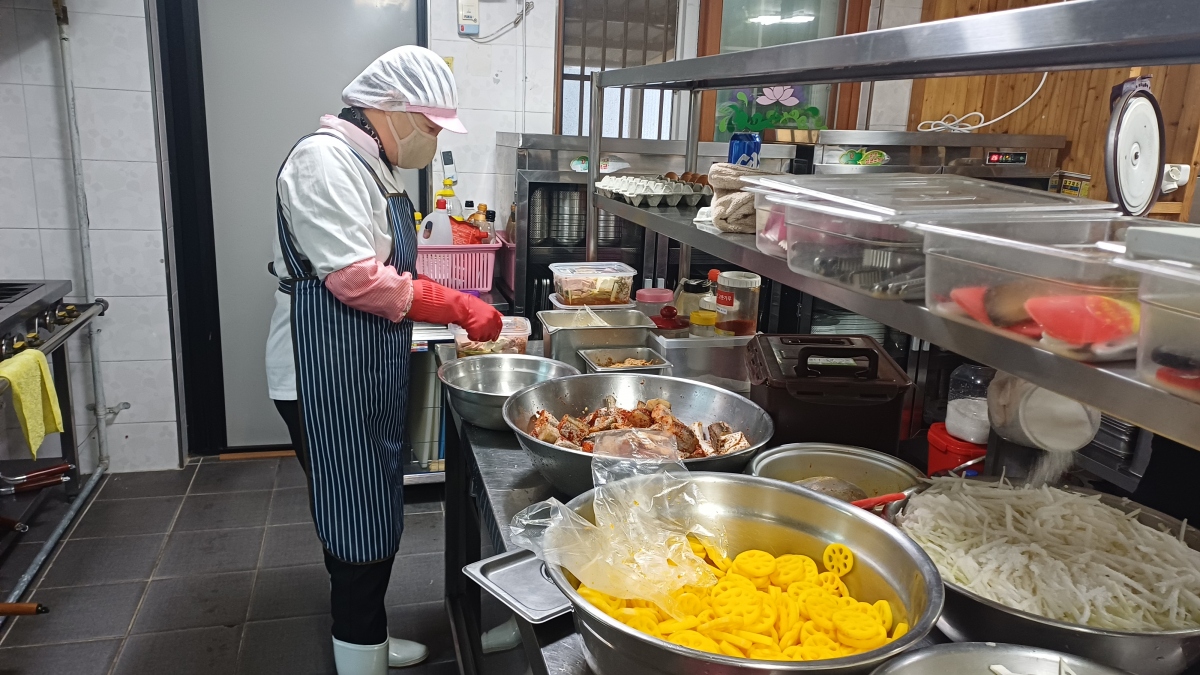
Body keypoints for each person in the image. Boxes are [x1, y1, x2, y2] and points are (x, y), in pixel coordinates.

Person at [265, 46, 503, 675]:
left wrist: (441, 300)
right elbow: (357, 281)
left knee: (369, 506)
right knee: (354, 512)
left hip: (362, 363)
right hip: (322, 370)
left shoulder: (372, 164)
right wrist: (457, 305)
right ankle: (360, 654)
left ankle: (365, 636)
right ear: (390, 111)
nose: (432, 140)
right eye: (429, 126)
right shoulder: (323, 161)